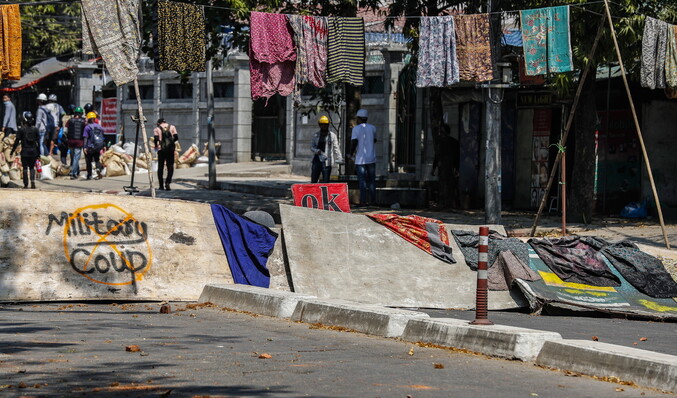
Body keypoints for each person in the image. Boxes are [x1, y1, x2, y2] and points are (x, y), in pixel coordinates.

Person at [350, 109, 377, 206]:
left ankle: (363, 201)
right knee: (372, 180)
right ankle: (373, 201)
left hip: (360, 158)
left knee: (362, 180)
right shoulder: (373, 128)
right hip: (371, 157)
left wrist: (350, 154)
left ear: (358, 118)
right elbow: (374, 140)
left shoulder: (356, 129)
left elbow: (354, 142)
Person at [10, 111, 40, 189]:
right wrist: (38, 153)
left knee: (25, 168)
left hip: (25, 152)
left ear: (24, 119)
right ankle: (32, 181)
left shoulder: (21, 130)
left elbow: (17, 141)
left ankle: (26, 184)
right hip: (33, 151)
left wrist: (12, 151)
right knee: (32, 167)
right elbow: (38, 142)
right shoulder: (35, 129)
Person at [310, 115, 343, 183]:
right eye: (322, 125)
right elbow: (311, 147)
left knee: (326, 181)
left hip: (327, 162)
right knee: (314, 180)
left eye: (325, 125)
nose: (324, 126)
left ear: (328, 125)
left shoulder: (332, 136)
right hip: (317, 160)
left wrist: (339, 158)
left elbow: (336, 148)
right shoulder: (316, 135)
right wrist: (317, 151)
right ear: (320, 125)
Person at [153, 118, 178, 190]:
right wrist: (171, 142)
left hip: (161, 150)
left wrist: (156, 146)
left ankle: (161, 185)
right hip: (170, 150)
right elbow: (176, 137)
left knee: (160, 167)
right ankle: (167, 183)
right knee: (170, 167)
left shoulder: (157, 129)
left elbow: (156, 139)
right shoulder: (172, 127)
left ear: (158, 123)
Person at [83, 112, 104, 180]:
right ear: (94, 119)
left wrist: (85, 147)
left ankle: (89, 175)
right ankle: (98, 169)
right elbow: (102, 136)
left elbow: (85, 138)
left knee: (89, 161)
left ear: (88, 119)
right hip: (98, 146)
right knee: (97, 159)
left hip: (90, 146)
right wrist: (104, 145)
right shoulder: (99, 126)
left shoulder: (87, 127)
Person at [66, 106, 86, 179]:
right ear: (81, 114)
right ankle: (73, 173)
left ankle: (76, 171)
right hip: (79, 141)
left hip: (70, 141)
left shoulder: (70, 120)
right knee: (76, 158)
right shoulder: (83, 121)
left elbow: (65, 131)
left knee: (72, 157)